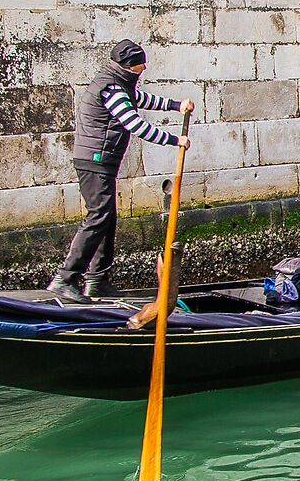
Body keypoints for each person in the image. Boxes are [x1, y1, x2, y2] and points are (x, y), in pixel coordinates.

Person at [49, 39, 193, 304]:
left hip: (102, 160)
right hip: (94, 160)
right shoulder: (112, 88)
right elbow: (134, 124)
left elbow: (142, 99)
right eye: (141, 64)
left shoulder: (120, 83)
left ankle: (96, 281)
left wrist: (176, 105)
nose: (145, 68)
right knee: (98, 216)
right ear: (129, 66)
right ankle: (66, 279)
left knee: (107, 218)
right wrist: (175, 141)